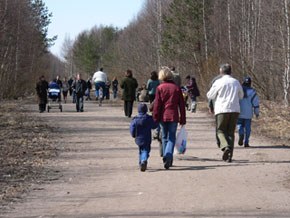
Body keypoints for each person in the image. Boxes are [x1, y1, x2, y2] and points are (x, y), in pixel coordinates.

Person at [207, 64, 244, 163]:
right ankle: (229, 156)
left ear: (221, 71)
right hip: (234, 109)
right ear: (230, 71)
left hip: (222, 109)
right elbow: (241, 95)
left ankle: (225, 146)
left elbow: (210, 95)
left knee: (220, 131)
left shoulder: (218, 82)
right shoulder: (236, 82)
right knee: (231, 133)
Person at [153, 66, 186, 169]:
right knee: (171, 137)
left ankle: (166, 156)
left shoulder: (159, 88)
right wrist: (183, 118)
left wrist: (155, 116)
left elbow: (157, 104)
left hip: (163, 116)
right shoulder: (176, 88)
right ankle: (168, 156)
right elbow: (181, 105)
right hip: (174, 116)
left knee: (164, 136)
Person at [130, 103, 158, 172]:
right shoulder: (148, 118)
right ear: (146, 110)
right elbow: (154, 125)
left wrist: (133, 134)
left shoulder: (135, 119)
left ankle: (141, 163)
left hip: (138, 138)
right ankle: (143, 160)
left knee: (140, 150)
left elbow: (132, 128)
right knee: (145, 150)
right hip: (147, 138)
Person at [237, 76, 260, 147]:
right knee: (248, 128)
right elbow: (256, 104)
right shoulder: (253, 92)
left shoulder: (238, 91)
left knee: (239, 125)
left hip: (239, 112)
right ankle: (246, 142)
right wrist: (257, 113)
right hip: (248, 113)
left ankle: (241, 133)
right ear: (250, 83)